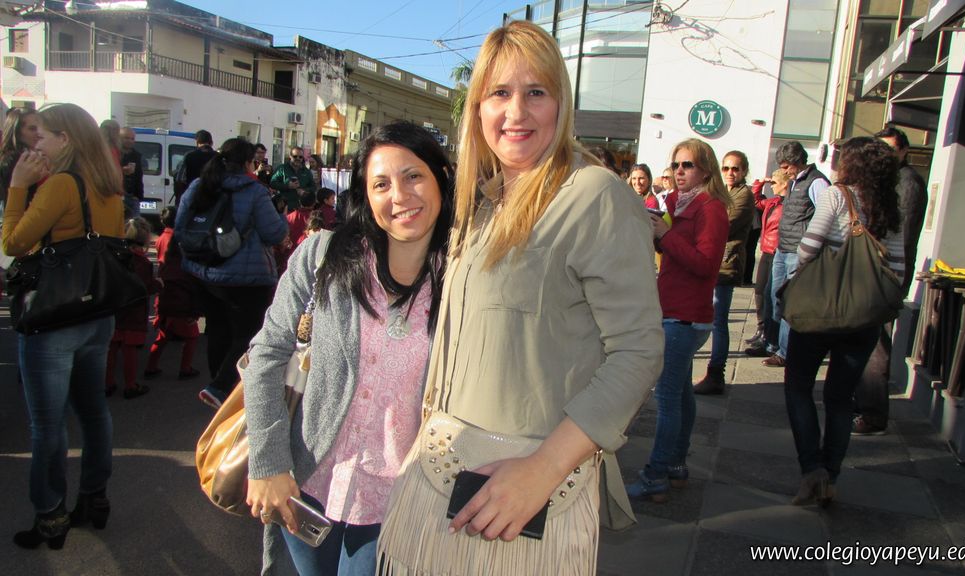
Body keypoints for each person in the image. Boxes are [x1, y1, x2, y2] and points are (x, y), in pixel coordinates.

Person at [375, 21, 663, 574]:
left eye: (536, 92)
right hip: (439, 475)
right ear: (478, 108)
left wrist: (542, 469)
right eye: (499, 93)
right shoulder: (481, 203)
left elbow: (638, 352)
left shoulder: (594, 196)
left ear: (561, 103)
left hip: (525, 496)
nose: (516, 112)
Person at [245, 122, 455, 575]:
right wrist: (268, 463)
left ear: (441, 178)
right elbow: (267, 354)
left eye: (413, 176)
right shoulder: (321, 257)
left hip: (398, 499)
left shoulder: (464, 279)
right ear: (365, 195)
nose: (399, 196)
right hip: (306, 483)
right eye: (381, 184)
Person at [2, 103, 126, 550]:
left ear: (65, 139)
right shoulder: (108, 184)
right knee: (93, 412)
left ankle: (50, 514)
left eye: (43, 134)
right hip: (96, 314)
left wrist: (18, 187)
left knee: (47, 425)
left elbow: (13, 242)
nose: (37, 142)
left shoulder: (61, 184)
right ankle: (94, 496)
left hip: (55, 317)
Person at [784, 136, 904, 507]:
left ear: (851, 164)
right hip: (864, 318)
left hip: (819, 312)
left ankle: (812, 470)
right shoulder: (891, 207)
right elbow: (898, 269)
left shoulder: (837, 196)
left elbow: (807, 248)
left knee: (798, 387)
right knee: (840, 398)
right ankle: (831, 476)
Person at [626, 139, 729, 501]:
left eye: (688, 165)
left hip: (685, 316)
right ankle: (675, 466)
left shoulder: (710, 208)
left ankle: (656, 474)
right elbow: (674, 252)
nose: (679, 171)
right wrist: (660, 234)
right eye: (676, 165)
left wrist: (666, 235)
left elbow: (705, 265)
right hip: (675, 311)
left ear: (706, 170)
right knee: (681, 395)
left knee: (667, 398)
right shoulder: (681, 203)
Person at [174, 138, 288, 409]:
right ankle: (223, 387)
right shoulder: (254, 191)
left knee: (218, 331)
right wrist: (281, 215)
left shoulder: (199, 186)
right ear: (249, 163)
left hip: (205, 271)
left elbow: (180, 225)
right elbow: (274, 233)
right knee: (250, 336)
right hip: (246, 277)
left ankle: (218, 387)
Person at [852, 126, 928, 436]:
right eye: (878, 150)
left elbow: (902, 239)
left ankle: (873, 415)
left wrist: (890, 281)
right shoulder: (885, 182)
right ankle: (861, 404)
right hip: (871, 275)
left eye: (889, 150)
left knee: (876, 345)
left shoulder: (906, 183)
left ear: (904, 151)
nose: (882, 156)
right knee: (863, 342)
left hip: (884, 277)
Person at [764, 141, 830, 368]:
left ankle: (785, 352)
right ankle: (772, 343)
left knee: (789, 303)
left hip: (798, 252)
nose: (784, 171)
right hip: (783, 248)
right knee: (775, 298)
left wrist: (809, 248)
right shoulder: (794, 182)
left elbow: (826, 215)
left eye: (786, 167)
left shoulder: (817, 182)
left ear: (797, 161)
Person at [694, 151, 754, 395]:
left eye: (735, 169)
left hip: (726, 264)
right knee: (709, 317)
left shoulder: (743, 195)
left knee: (719, 321)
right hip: (713, 261)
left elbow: (720, 226)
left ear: (744, 171)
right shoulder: (721, 192)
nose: (730, 173)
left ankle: (716, 372)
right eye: (726, 168)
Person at [104, 217, 162, 399]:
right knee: (130, 349)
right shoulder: (142, 263)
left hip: (115, 308)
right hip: (134, 311)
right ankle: (130, 385)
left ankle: (108, 383)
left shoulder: (115, 256)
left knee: (112, 348)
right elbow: (144, 287)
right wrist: (158, 284)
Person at [144, 206, 201, 381]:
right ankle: (185, 368)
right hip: (180, 296)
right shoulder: (179, 241)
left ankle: (151, 366)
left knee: (163, 335)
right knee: (192, 336)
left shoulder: (161, 238)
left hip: (165, 293)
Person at [745, 169, 791, 358]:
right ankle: (762, 328)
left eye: (775, 183)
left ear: (785, 184)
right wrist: (760, 183)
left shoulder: (790, 203)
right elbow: (755, 201)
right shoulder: (772, 202)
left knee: (773, 296)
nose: (772, 186)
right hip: (766, 250)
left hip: (777, 251)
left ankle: (772, 339)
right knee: (760, 292)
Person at [0, 108, 42, 274]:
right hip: (21, 225)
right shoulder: (19, 158)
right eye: (32, 128)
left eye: (40, 127)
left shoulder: (24, 155)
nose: (38, 133)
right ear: (17, 132)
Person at [173, 129, 216, 206]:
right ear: (211, 142)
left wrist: (179, 199)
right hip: (213, 199)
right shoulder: (218, 157)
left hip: (192, 199)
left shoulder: (189, 156)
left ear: (197, 142)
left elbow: (179, 179)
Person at [270, 146, 316, 212]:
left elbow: (313, 187)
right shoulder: (282, 168)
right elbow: (272, 183)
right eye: (295, 156)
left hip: (300, 207)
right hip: (284, 207)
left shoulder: (306, 171)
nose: (298, 158)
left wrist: (304, 191)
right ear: (290, 156)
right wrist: (287, 186)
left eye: (300, 157)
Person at [119, 127, 144, 219]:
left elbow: (139, 176)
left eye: (132, 138)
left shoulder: (136, 156)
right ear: (119, 138)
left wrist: (138, 196)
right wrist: (121, 170)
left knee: (134, 223)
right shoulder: (114, 154)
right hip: (118, 195)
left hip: (132, 197)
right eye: (126, 138)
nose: (130, 141)